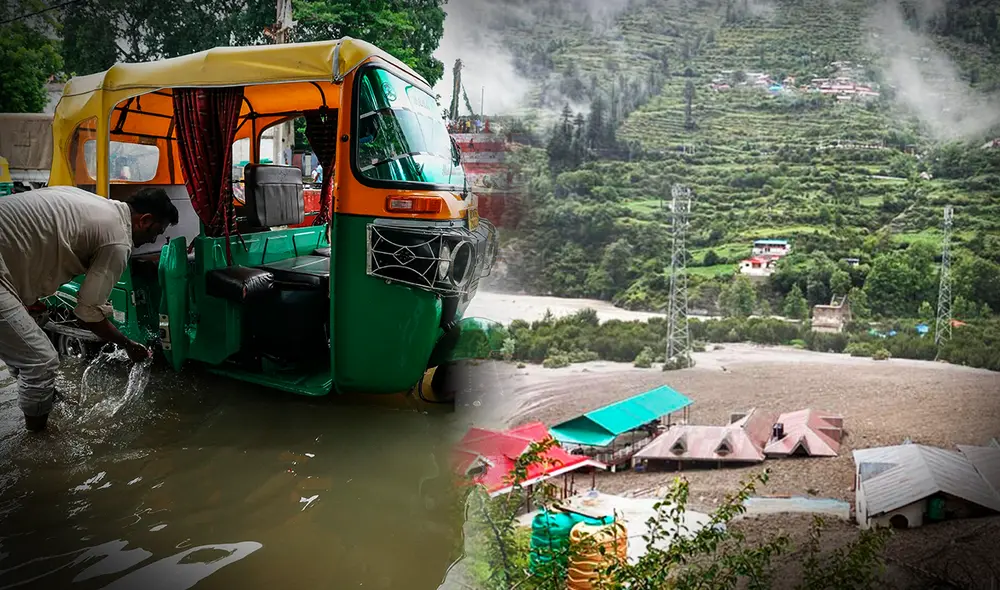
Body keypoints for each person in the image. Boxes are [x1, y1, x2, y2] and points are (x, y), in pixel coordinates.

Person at [0, 185, 179, 433]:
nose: (153, 240)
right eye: (156, 232)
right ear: (144, 219)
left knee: (30, 338)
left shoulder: (97, 205)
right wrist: (127, 344)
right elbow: (87, 313)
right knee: (40, 362)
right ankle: (38, 441)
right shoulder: (117, 240)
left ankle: (40, 402)